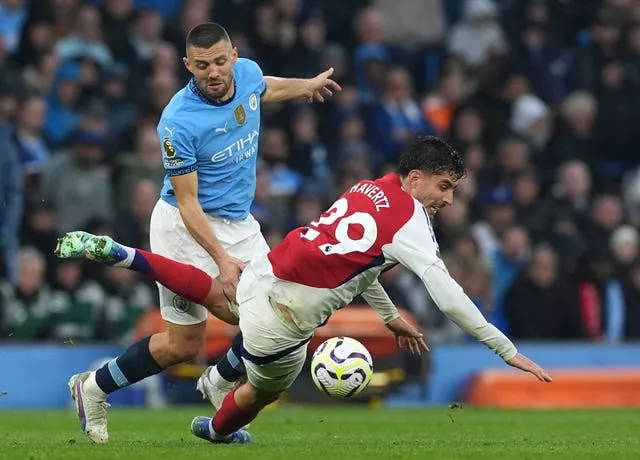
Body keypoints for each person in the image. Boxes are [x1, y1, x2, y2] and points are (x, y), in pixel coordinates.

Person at [56, 136, 552, 445]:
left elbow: (362, 264)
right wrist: (504, 350)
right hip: (288, 318)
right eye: (444, 187)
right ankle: (214, 428)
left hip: (265, 270)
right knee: (258, 393)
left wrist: (387, 313)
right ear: (416, 178)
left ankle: (122, 255)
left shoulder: (368, 187)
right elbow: (449, 298)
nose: (447, 199)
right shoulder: (414, 226)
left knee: (217, 297)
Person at [65, 22, 343, 444]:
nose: (212, 72)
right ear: (187, 66)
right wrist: (221, 260)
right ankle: (96, 389)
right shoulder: (177, 123)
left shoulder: (245, 72)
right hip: (184, 227)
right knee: (188, 341)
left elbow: (262, 88)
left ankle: (210, 382)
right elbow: (189, 202)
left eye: (218, 62)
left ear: (233, 56)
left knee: (277, 313)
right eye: (201, 66)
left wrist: (305, 86)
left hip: (240, 223)